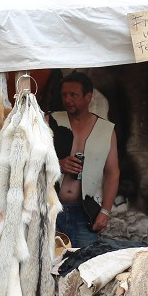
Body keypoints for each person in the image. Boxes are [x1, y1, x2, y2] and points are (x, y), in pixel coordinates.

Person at [51, 72, 120, 248]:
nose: (67, 100)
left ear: (88, 97)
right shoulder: (50, 121)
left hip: (86, 213)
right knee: (49, 264)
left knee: (85, 266)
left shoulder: (106, 129)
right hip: (51, 210)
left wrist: (105, 211)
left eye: (73, 95)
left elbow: (112, 173)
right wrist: (57, 164)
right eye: (64, 95)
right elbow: (30, 161)